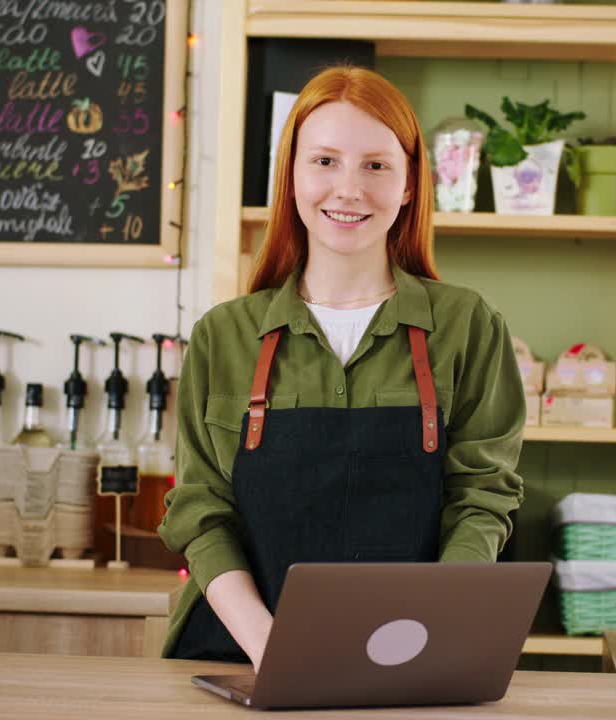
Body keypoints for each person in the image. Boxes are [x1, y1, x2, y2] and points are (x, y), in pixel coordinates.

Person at [158, 66, 526, 670]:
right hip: (237, 653)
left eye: (375, 165)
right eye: (324, 161)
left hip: (414, 654)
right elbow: (200, 510)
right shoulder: (222, 336)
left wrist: (427, 636)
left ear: (409, 184)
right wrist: (272, 650)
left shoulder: (468, 325)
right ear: (292, 176)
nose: (348, 189)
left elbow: (481, 498)